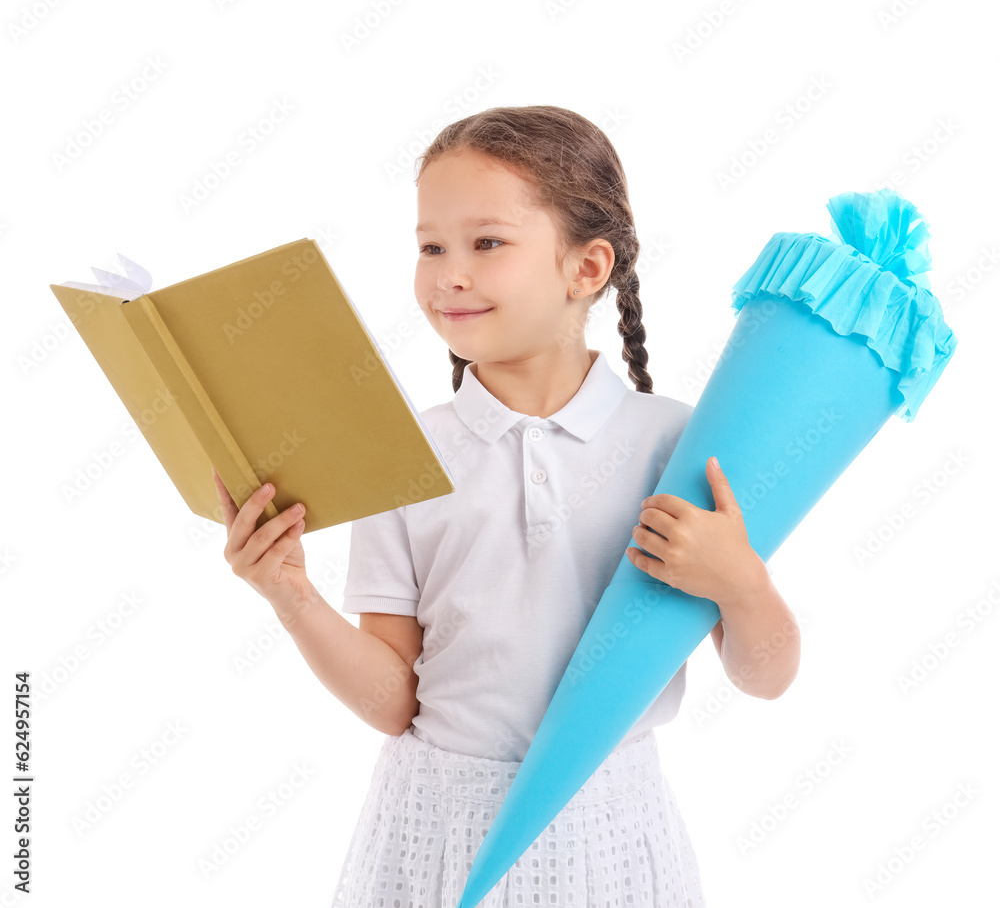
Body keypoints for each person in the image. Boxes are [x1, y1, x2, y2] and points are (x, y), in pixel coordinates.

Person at [213, 104, 801, 907]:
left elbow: (766, 677)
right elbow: (395, 702)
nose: (449, 273)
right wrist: (290, 594)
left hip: (611, 830)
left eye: (486, 243)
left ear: (587, 268)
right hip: (437, 830)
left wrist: (741, 583)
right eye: (430, 246)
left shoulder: (676, 442)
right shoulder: (406, 454)